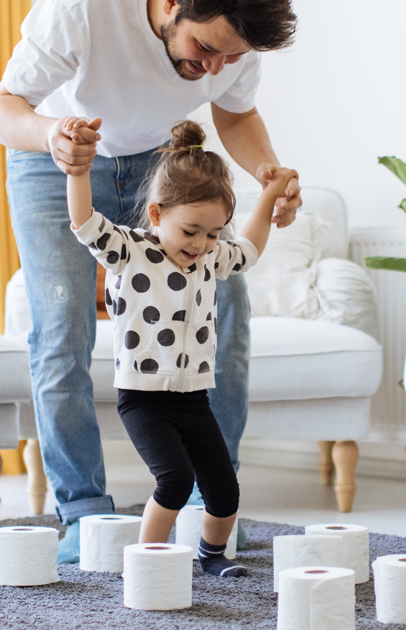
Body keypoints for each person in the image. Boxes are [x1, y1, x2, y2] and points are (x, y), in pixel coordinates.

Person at [0, 0, 301, 563]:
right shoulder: (81, 10)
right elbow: (2, 109)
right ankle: (85, 512)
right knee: (62, 330)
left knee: (228, 314)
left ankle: (209, 500)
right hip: (53, 160)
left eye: (232, 57)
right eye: (204, 49)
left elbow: (235, 112)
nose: (216, 69)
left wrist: (269, 174)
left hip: (164, 163)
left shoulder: (232, 38)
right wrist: (53, 133)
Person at [65, 118, 293, 577]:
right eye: (191, 231)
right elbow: (84, 222)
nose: (202, 244)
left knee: (225, 491)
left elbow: (247, 249)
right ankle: (147, 566)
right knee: (174, 480)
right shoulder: (130, 251)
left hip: (193, 397)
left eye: (213, 233)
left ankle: (210, 555)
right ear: (156, 214)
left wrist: (270, 193)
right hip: (143, 399)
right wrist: (78, 170)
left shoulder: (211, 256)